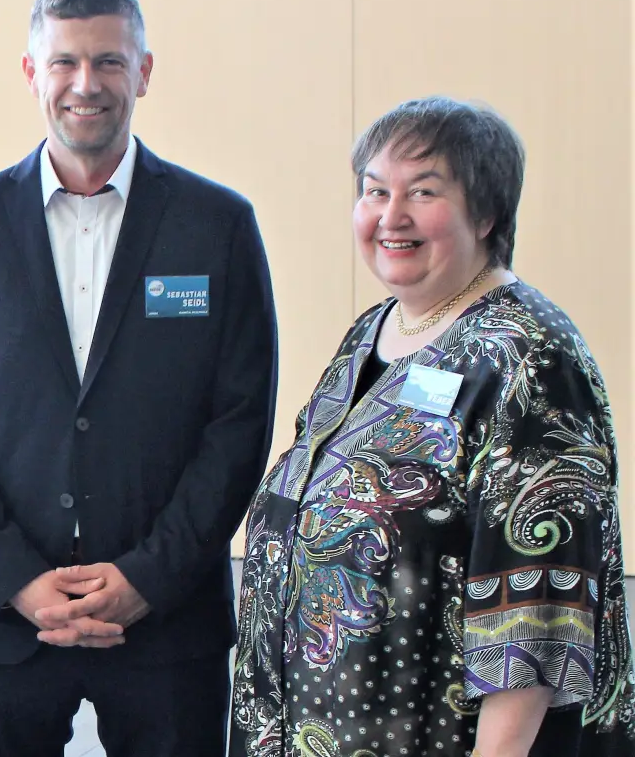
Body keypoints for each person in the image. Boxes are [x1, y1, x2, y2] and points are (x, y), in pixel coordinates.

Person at [0, 0, 280, 757]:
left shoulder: (217, 227)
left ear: (143, 71)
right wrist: (15, 578)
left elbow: (239, 423)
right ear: (32, 73)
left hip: (167, 624)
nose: (86, 84)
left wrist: (147, 578)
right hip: (3, 620)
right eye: (65, 62)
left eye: (108, 61)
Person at [230, 97, 635, 756]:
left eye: (423, 191)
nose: (391, 216)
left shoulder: (529, 358)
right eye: (374, 191)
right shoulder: (374, 332)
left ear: (487, 210)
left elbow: (537, 615)